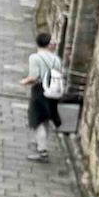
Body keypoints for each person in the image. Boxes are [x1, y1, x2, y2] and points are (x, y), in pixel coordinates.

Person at [23, 30, 65, 161]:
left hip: (40, 91)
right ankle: (41, 143)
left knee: (38, 121)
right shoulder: (56, 60)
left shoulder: (35, 58)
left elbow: (34, 77)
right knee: (46, 119)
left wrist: (24, 81)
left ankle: (42, 151)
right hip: (53, 92)